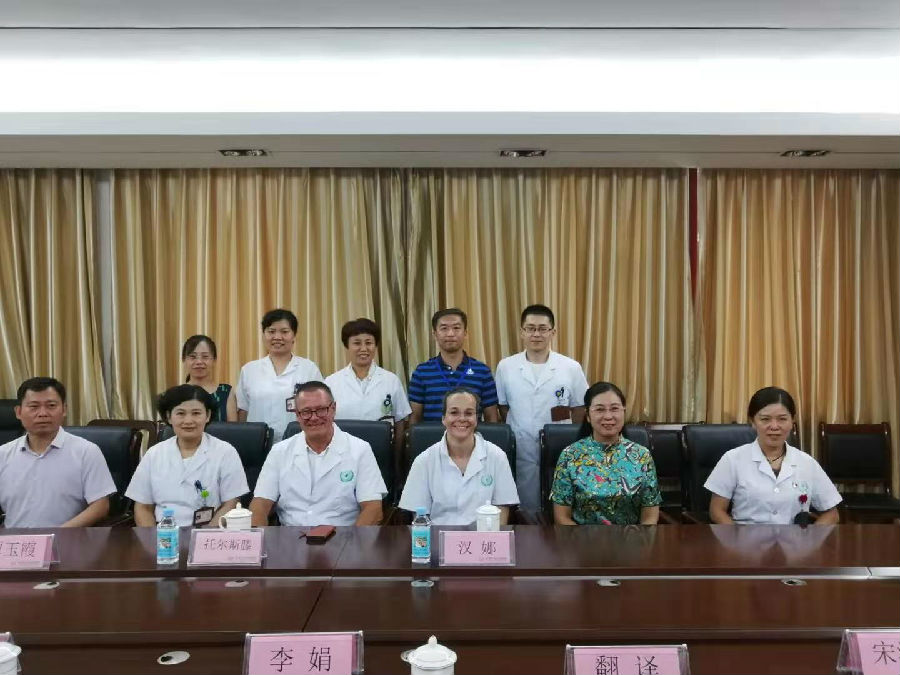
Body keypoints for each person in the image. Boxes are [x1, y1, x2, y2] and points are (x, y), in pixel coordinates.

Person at [249, 382, 386, 526]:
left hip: (343, 536)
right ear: (297, 415)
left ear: (333, 409)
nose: (314, 418)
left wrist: (353, 540)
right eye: (306, 412)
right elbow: (260, 503)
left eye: (321, 410)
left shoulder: (360, 450)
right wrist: (257, 537)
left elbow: (373, 509)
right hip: (290, 536)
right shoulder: (279, 451)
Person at [495, 304, 589, 515]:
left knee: (560, 505)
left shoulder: (570, 367)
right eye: (530, 328)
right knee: (524, 508)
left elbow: (579, 407)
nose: (536, 334)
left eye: (542, 329)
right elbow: (503, 406)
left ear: (552, 332)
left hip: (560, 446)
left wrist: (568, 433)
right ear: (522, 332)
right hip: (521, 446)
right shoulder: (506, 366)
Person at [705, 387, 841, 525]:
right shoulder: (732, 459)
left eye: (782, 419)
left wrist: (811, 536)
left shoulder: (807, 463)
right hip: (746, 536)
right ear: (753, 422)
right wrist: (737, 536)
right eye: (765, 419)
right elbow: (716, 511)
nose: (774, 426)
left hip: (794, 538)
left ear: (792, 421)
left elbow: (832, 514)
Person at [126, 385, 249, 528]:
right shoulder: (154, 454)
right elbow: (142, 507)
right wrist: (156, 537)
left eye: (196, 413)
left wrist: (205, 536)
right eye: (180, 413)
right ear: (168, 417)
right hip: (162, 533)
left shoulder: (225, 452)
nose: (188, 421)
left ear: (208, 415)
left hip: (209, 530)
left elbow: (231, 503)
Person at [0, 377, 116, 528]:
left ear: (64, 410)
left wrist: (60, 534)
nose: (42, 413)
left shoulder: (86, 452)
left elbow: (100, 506)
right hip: (15, 540)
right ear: (18, 412)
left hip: (68, 538)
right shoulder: (3, 454)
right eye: (34, 406)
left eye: (51, 406)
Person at [399, 387, 519, 525]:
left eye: (469, 413)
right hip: (438, 536)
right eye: (454, 412)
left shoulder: (497, 457)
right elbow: (419, 517)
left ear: (476, 419)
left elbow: (502, 509)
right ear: (443, 418)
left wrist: (491, 537)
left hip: (484, 536)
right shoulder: (424, 461)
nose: (462, 419)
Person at [551, 381, 661, 525]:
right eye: (600, 409)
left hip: (632, 537)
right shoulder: (570, 455)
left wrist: (638, 537)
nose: (608, 416)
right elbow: (561, 517)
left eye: (614, 408)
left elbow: (650, 516)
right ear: (588, 416)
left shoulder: (642, 455)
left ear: (623, 412)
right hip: (582, 538)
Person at [325, 318, 411, 460]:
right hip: (342, 455)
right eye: (357, 343)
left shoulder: (391, 380)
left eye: (369, 343)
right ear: (347, 346)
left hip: (382, 455)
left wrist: (397, 461)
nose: (364, 349)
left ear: (375, 346)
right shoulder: (331, 382)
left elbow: (400, 422)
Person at [235, 308, 323, 439]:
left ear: (294, 335)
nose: (277, 337)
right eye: (271, 331)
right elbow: (243, 411)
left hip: (299, 441)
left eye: (284, 332)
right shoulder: (249, 370)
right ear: (263, 335)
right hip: (257, 442)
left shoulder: (309, 369)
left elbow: (320, 408)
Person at [408, 308, 500, 423]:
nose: (450, 334)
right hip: (432, 435)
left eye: (456, 328)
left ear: (465, 333)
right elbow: (415, 418)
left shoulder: (482, 371)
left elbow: (491, 417)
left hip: (471, 434)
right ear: (435, 334)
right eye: (444, 328)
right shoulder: (422, 372)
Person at [181, 334, 236, 422]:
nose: (199, 362)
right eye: (193, 357)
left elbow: (234, 429)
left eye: (205, 357)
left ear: (214, 360)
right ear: (184, 360)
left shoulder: (226, 392)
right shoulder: (175, 395)